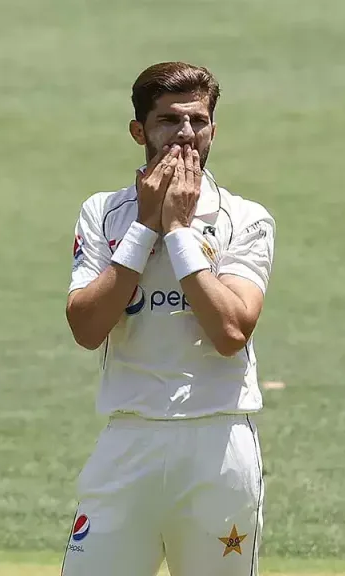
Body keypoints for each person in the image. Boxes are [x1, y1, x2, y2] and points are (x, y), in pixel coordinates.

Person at [62, 61, 276, 576]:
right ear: (139, 130)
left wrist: (179, 234)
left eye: (198, 121)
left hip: (218, 444)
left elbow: (230, 331)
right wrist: (143, 228)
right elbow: (87, 328)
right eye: (169, 121)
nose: (185, 135)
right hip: (129, 438)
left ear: (213, 129)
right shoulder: (103, 213)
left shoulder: (245, 218)